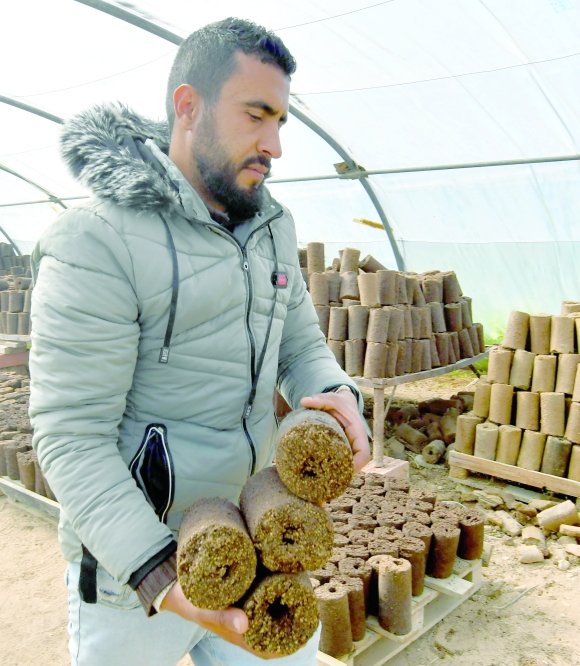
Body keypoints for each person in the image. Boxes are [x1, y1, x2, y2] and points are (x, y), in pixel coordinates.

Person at [29, 17, 370, 666]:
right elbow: (71, 434)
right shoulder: (97, 239)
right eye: (255, 115)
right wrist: (161, 575)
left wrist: (338, 396)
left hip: (255, 544)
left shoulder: (271, 226)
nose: (274, 144)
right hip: (137, 580)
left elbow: (300, 345)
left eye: (281, 122)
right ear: (188, 107)